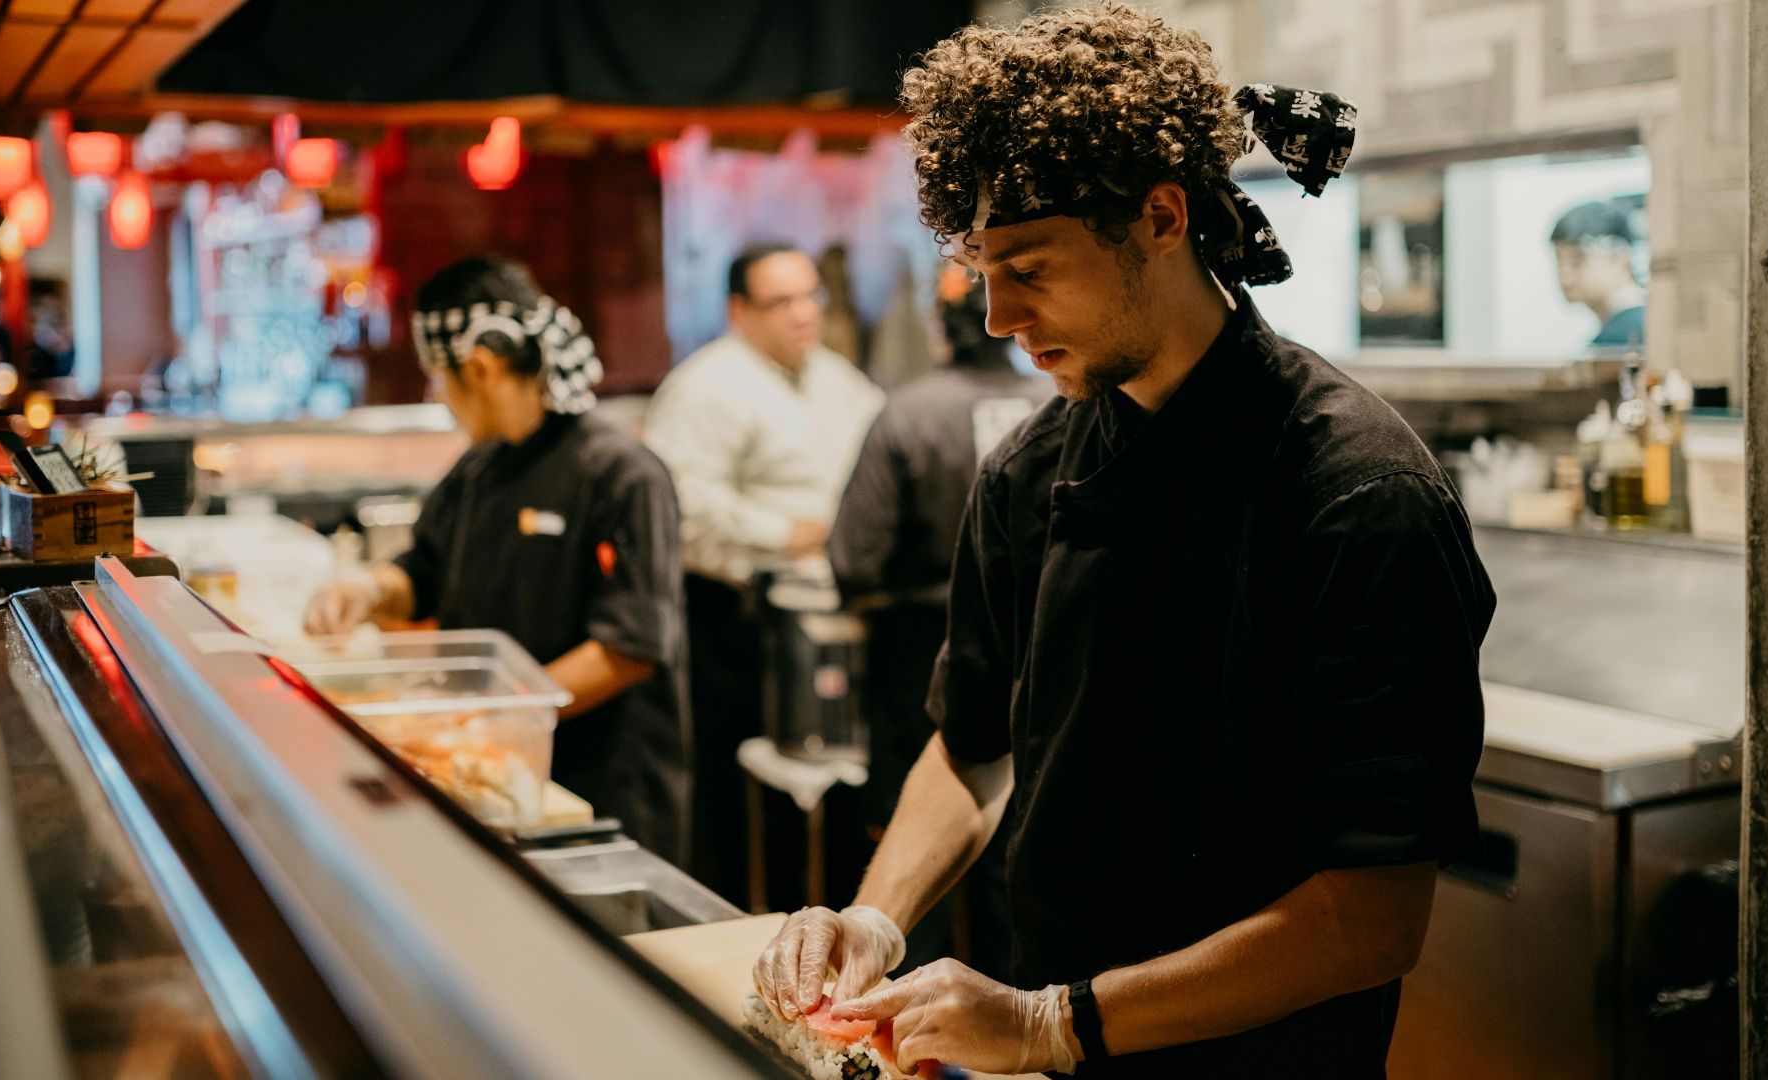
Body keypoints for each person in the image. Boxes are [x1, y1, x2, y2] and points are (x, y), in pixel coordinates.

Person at [752, 7, 1496, 1078]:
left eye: (1031, 266)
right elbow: (971, 746)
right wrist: (876, 916)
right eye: (978, 267)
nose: (1000, 316)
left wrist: (1048, 1022)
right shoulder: (1028, 469)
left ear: (1160, 216)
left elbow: (1373, 915)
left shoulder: (1355, 491)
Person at [303, 256, 689, 863]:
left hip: (600, 800)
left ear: (480, 369)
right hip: (497, 780)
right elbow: (422, 573)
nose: (438, 395)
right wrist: (370, 589)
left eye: (437, 376)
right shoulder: (479, 467)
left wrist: (488, 717)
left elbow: (628, 651)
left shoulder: (622, 475)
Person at [643, 242, 885, 902]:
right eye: (782, 302)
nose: (804, 314)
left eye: (812, 296)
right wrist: (787, 533)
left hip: (829, 614)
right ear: (739, 310)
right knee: (742, 799)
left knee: (837, 790)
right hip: (733, 619)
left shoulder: (839, 379)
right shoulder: (706, 386)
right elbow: (680, 506)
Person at [826, 265, 1047, 979]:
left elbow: (854, 558)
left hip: (922, 661)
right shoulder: (1060, 406)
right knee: (1015, 880)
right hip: (1043, 663)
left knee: (905, 896)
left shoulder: (910, 413)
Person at [1551, 198, 1646, 349]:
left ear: (1620, 260)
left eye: (1577, 261)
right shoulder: (1650, 325)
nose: (1565, 276)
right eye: (1559, 261)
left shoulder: (1618, 341)